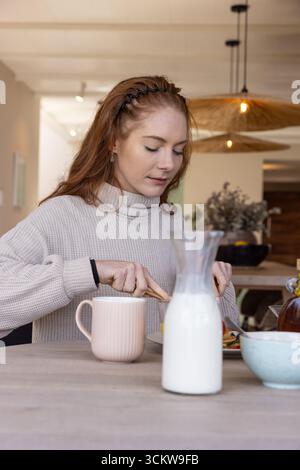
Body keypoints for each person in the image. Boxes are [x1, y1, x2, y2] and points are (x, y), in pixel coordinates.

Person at [0, 75, 238, 343]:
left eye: (178, 150)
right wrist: (90, 271)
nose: (169, 163)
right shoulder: (61, 215)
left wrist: (211, 288)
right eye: (153, 147)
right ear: (114, 141)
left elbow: (226, 336)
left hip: (157, 385)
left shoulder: (174, 224)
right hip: (72, 386)